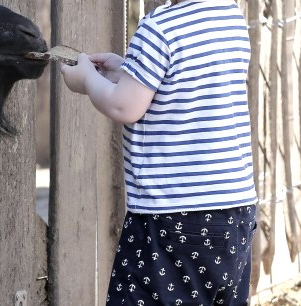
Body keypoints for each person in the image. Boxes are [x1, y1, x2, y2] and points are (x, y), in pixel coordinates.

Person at [60, 0, 258, 305]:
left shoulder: (159, 29)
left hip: (171, 217)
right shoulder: (230, 19)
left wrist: (87, 79)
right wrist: (129, 72)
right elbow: (178, 81)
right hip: (234, 213)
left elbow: (124, 105)